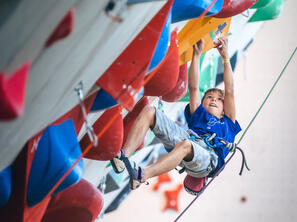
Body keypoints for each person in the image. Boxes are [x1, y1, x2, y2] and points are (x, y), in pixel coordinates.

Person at [110, 36, 241, 190]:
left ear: (224, 109)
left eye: (219, 100)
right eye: (209, 97)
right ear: (203, 102)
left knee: (187, 145)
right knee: (150, 111)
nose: (213, 100)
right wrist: (196, 55)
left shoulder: (228, 122)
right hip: (186, 143)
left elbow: (230, 91)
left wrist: (225, 57)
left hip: (208, 159)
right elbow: (193, 88)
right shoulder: (199, 114)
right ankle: (123, 156)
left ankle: (142, 175)